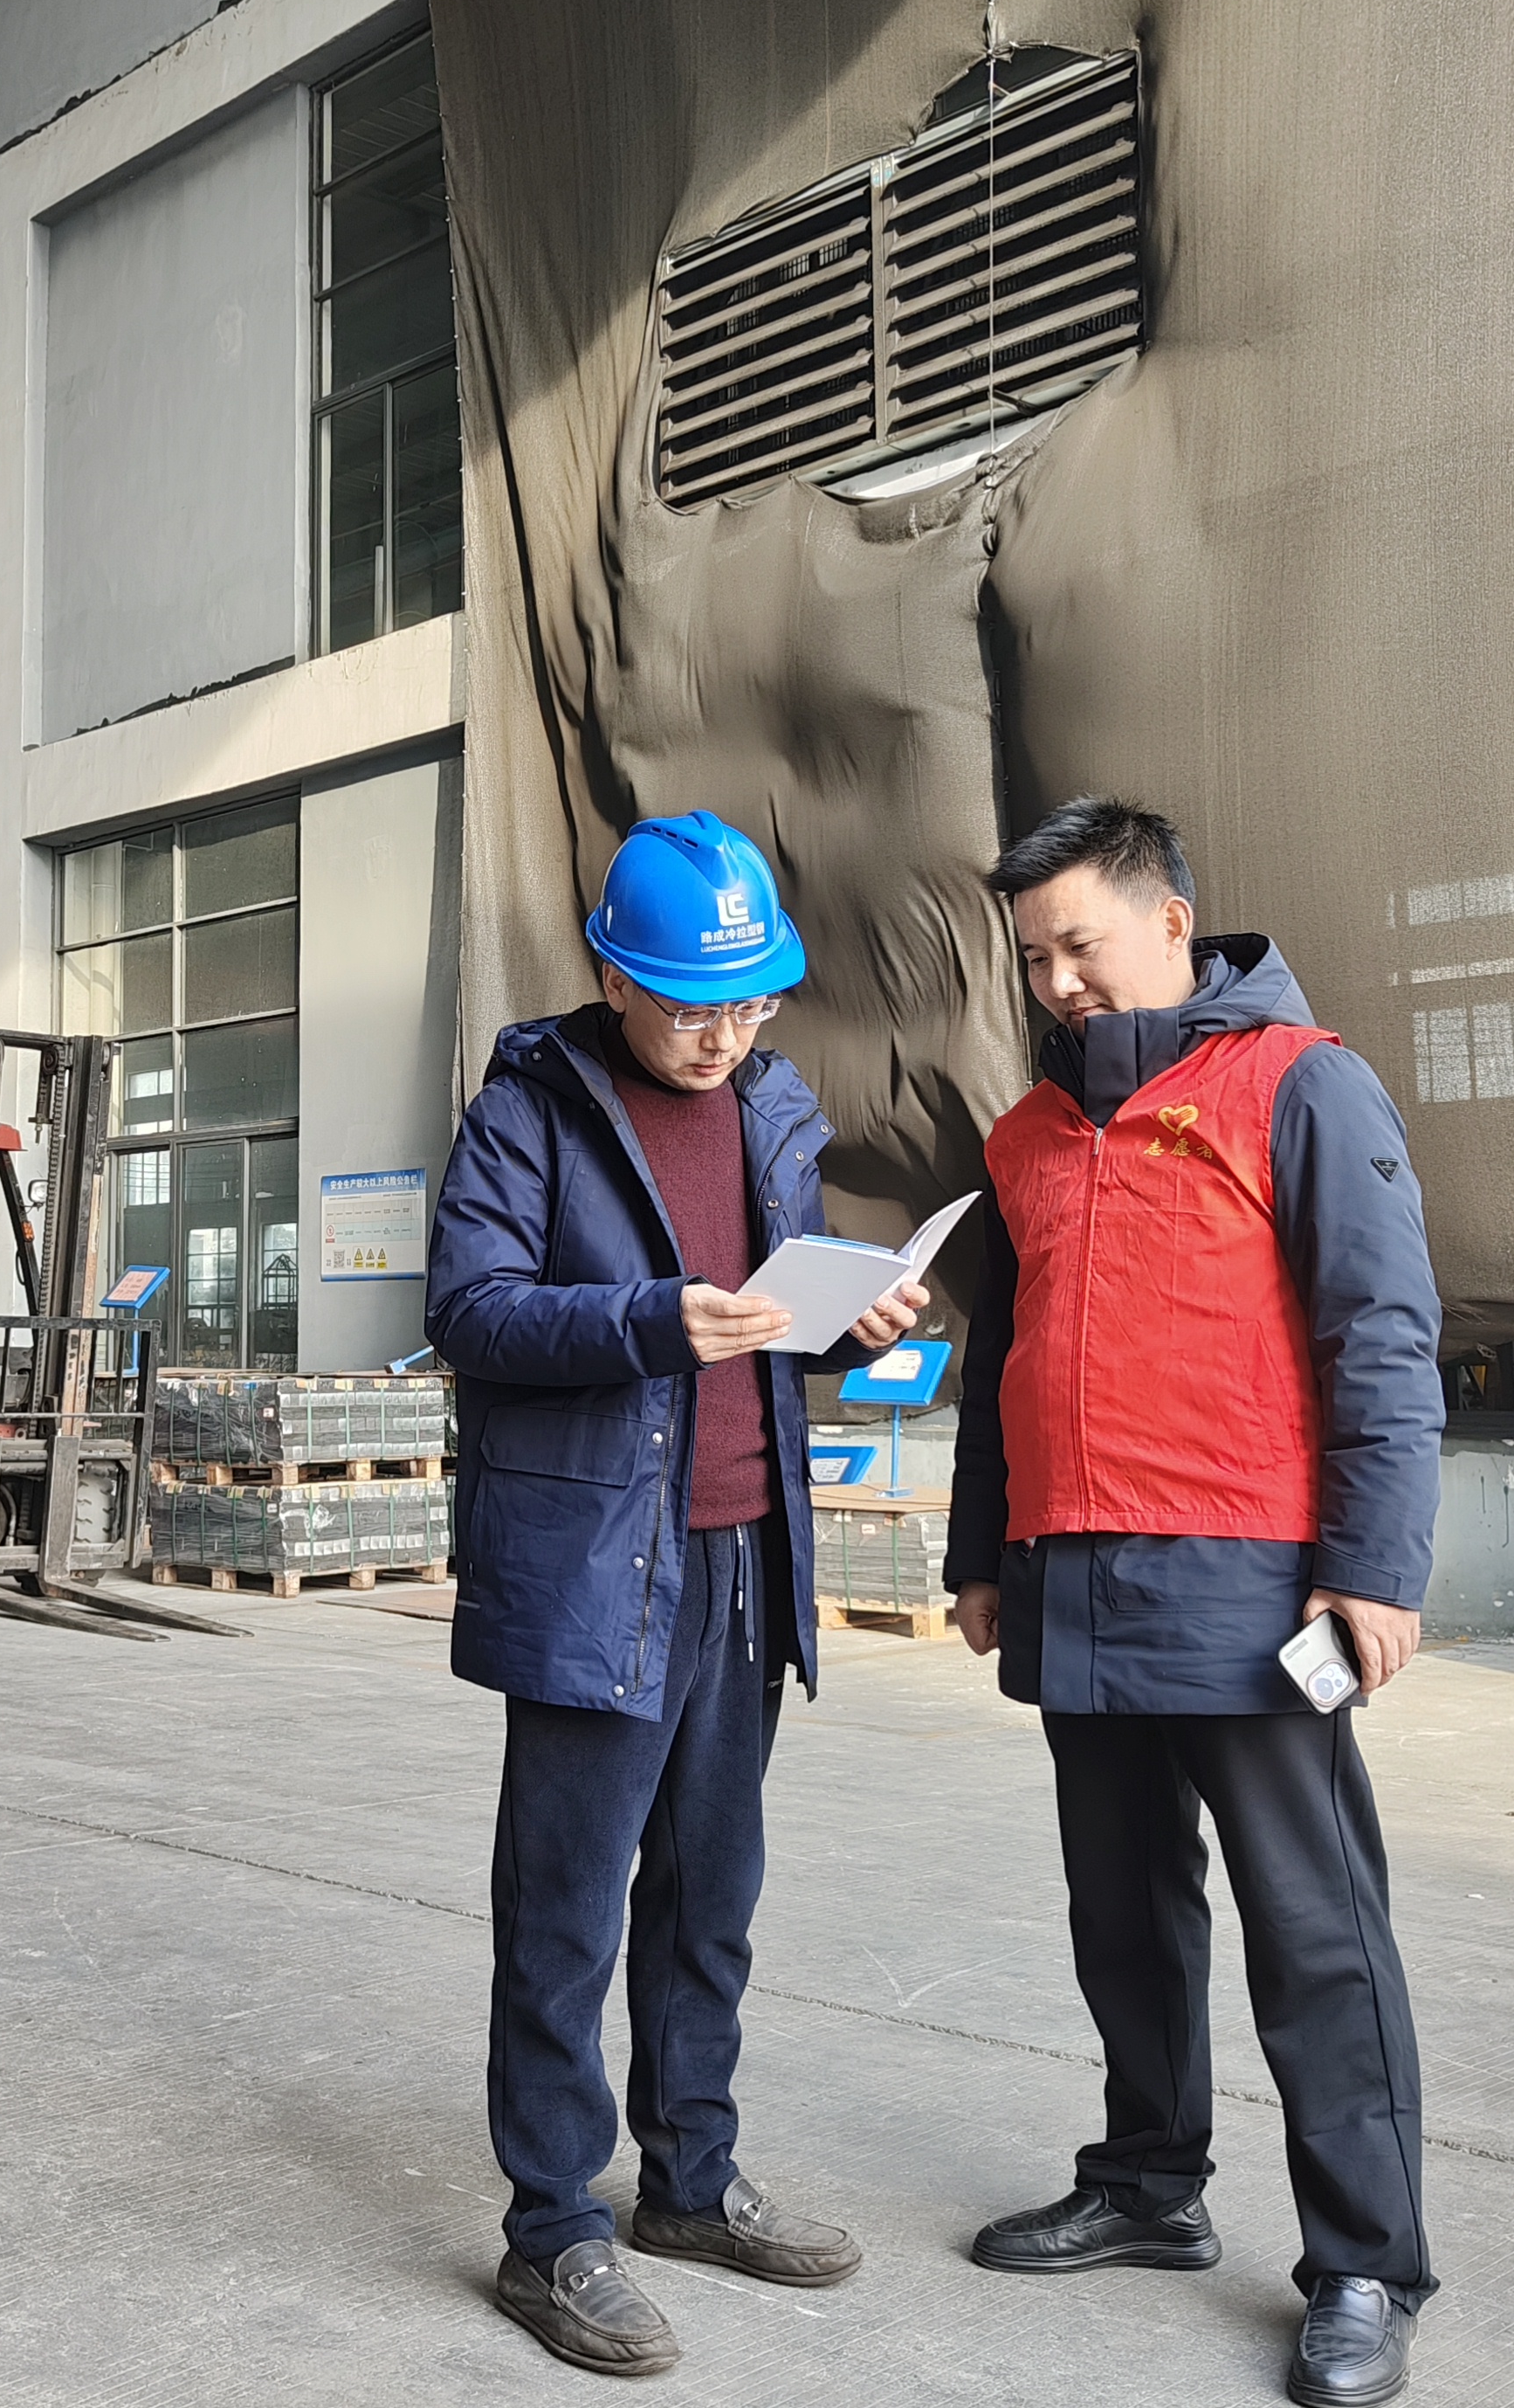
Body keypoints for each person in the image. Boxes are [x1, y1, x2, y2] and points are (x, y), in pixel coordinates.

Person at [946, 798, 1444, 2407]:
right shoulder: (1028, 1133)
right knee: (1122, 1910)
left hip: (1251, 1583)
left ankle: (1365, 2262)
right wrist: (980, 1551)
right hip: (1072, 1578)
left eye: (1080, 946)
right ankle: (1148, 2183)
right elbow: (1001, 1359)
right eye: (1035, 959)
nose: (1059, 983)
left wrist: (1374, 1565)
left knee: (1314, 1928)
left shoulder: (1303, 1083)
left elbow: (1380, 1333)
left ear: (1172, 922)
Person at [428, 811, 928, 2378]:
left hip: (742, 1554)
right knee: (566, 1913)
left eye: (752, 1001)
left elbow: (774, 1306)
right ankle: (551, 2230)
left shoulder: (772, 1104)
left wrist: (851, 1320)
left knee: (712, 1897)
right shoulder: (532, 1114)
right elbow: (471, 1309)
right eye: (694, 1005)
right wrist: (648, 1317)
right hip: (596, 1566)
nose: (725, 1035)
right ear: (614, 977)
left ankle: (692, 2185)